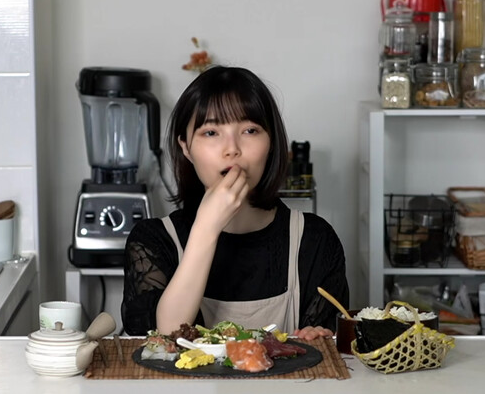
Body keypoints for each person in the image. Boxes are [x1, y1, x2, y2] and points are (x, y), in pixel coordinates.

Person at [121, 66, 348, 341]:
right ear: (185, 147)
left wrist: (320, 338)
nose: (232, 149)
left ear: (272, 143)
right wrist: (206, 228)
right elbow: (164, 338)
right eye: (211, 132)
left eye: (250, 130)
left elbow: (329, 350)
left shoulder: (315, 240)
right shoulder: (152, 242)